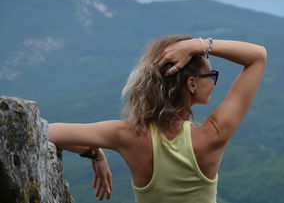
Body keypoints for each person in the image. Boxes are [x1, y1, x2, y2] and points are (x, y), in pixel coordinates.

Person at [49, 35, 267, 202]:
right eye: (211, 76)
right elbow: (257, 57)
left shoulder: (127, 135)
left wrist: (93, 152)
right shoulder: (213, 135)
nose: (213, 82)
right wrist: (198, 45)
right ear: (191, 85)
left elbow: (48, 132)